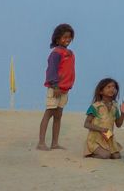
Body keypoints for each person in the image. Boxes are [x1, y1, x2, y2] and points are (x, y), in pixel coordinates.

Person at [37, 23, 75, 151]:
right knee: (49, 113)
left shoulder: (69, 53)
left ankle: (54, 143)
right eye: (64, 37)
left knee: (58, 116)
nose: (67, 40)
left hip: (65, 89)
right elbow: (51, 70)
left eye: (69, 37)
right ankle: (41, 142)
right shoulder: (56, 53)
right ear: (57, 39)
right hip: (56, 88)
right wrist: (55, 85)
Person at [84, 77, 124, 159]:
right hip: (96, 139)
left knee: (117, 156)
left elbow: (118, 124)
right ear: (101, 91)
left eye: (114, 87)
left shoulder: (114, 106)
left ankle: (106, 150)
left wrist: (123, 113)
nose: (112, 89)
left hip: (108, 137)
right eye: (108, 87)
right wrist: (101, 129)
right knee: (105, 155)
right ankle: (90, 153)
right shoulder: (95, 106)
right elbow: (86, 124)